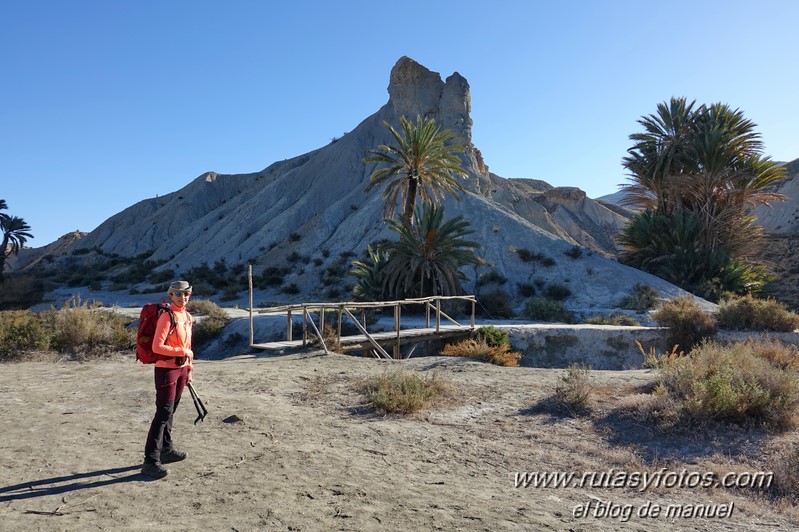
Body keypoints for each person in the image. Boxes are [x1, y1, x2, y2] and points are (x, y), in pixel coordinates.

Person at [142, 280, 194, 479]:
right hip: (166, 370)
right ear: (170, 295)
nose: (183, 298)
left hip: (181, 370)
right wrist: (182, 351)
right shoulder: (167, 316)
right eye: (178, 294)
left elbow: (190, 346)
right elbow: (157, 347)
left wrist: (189, 369)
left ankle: (166, 450)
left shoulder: (187, 317)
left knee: (171, 412)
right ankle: (150, 461)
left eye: (186, 294)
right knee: (163, 414)